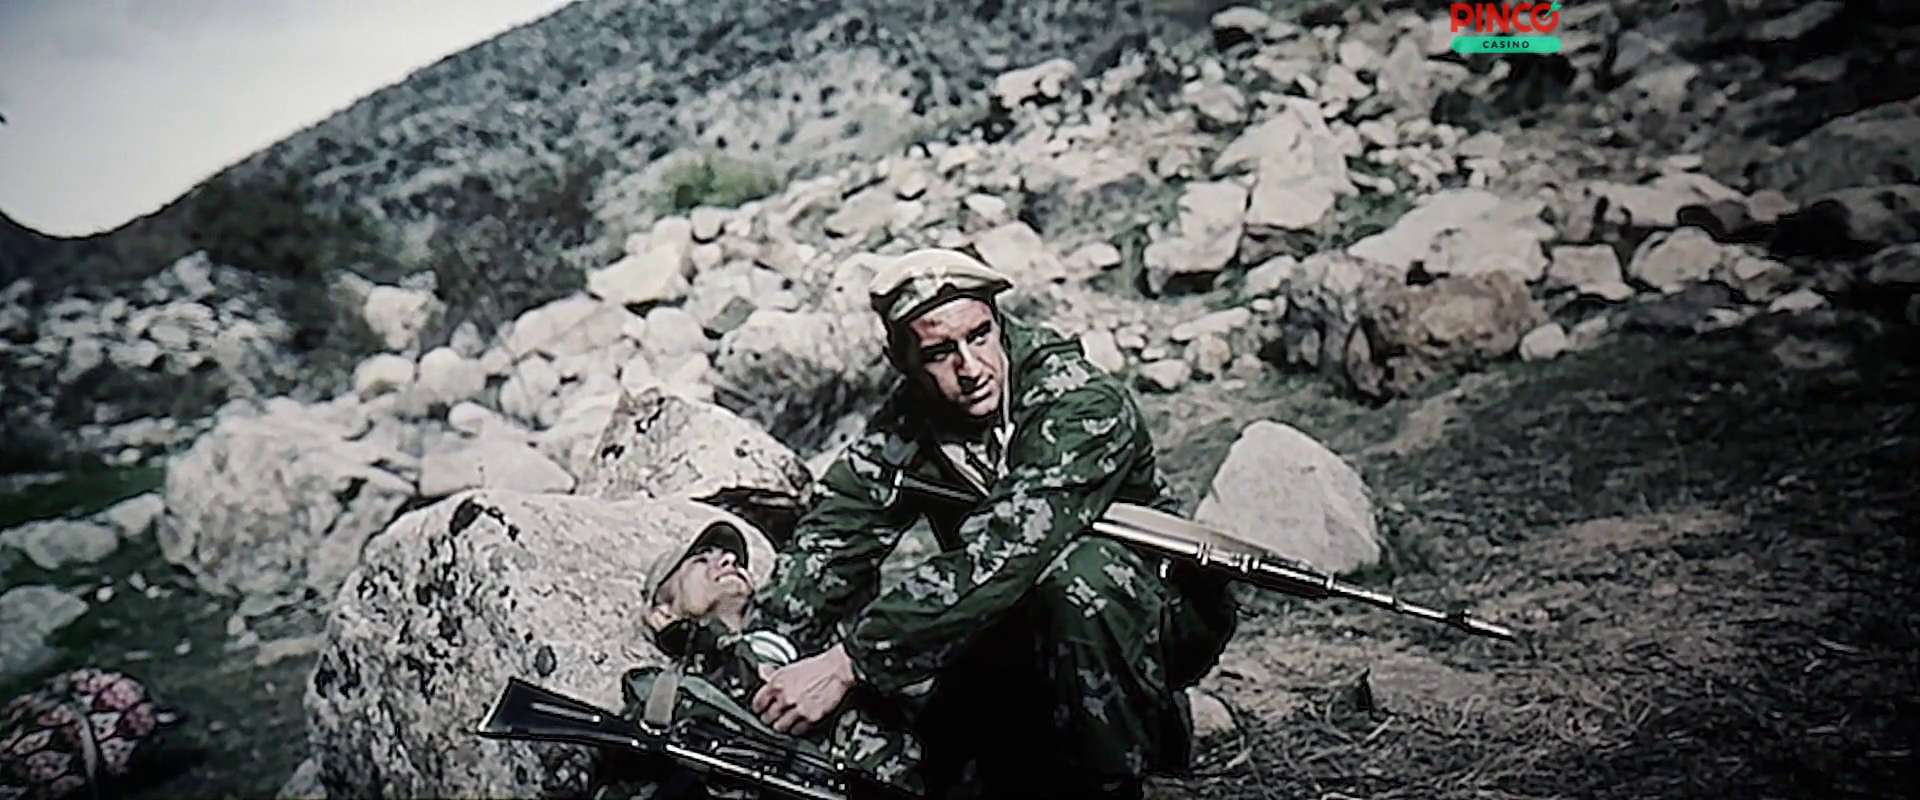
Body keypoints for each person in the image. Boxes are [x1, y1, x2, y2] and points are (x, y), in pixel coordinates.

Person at [744, 249, 1241, 799]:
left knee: (1077, 575)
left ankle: (1116, 777)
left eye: (979, 336)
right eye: (938, 352)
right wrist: (764, 646)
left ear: (998, 322)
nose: (971, 368)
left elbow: (1004, 554)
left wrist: (850, 662)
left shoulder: (1079, 403)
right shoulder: (913, 413)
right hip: (1008, 617)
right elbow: (838, 530)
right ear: (900, 360)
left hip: (1152, 618)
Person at [604, 520, 925, 798]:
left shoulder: (827, 640)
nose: (729, 559)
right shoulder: (665, 699)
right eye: (701, 560)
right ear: (662, 614)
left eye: (732, 558)